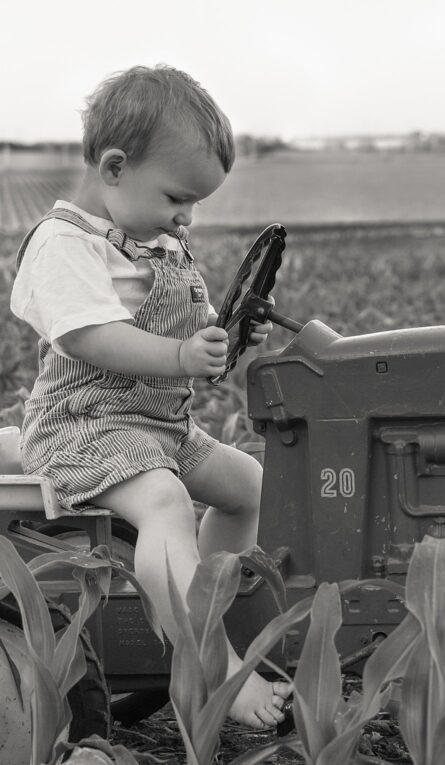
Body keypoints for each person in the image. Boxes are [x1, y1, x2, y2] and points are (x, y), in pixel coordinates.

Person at [10, 65, 289, 728]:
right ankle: (211, 664)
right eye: (176, 197)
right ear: (113, 167)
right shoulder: (66, 243)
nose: (187, 216)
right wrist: (176, 355)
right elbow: (91, 337)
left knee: (248, 481)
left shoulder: (156, 239)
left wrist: (220, 338)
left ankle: (205, 607)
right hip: (86, 424)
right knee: (163, 499)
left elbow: (183, 333)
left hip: (157, 424)